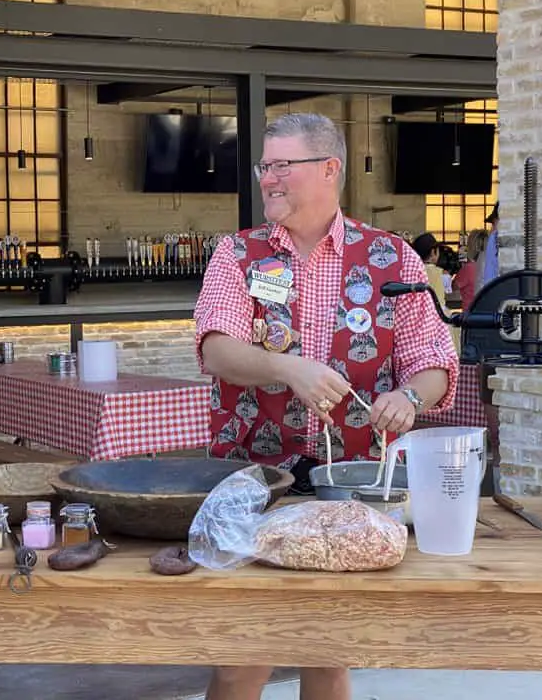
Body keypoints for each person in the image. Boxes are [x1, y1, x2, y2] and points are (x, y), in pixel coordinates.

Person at [193, 113, 458, 700]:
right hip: (255, 479)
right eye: (265, 166)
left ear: (329, 168)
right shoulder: (237, 255)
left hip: (356, 490)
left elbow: (434, 358)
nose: (268, 178)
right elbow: (216, 349)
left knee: (329, 653)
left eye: (281, 165)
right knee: (243, 657)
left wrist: (409, 396)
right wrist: (289, 368)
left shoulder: (391, 258)